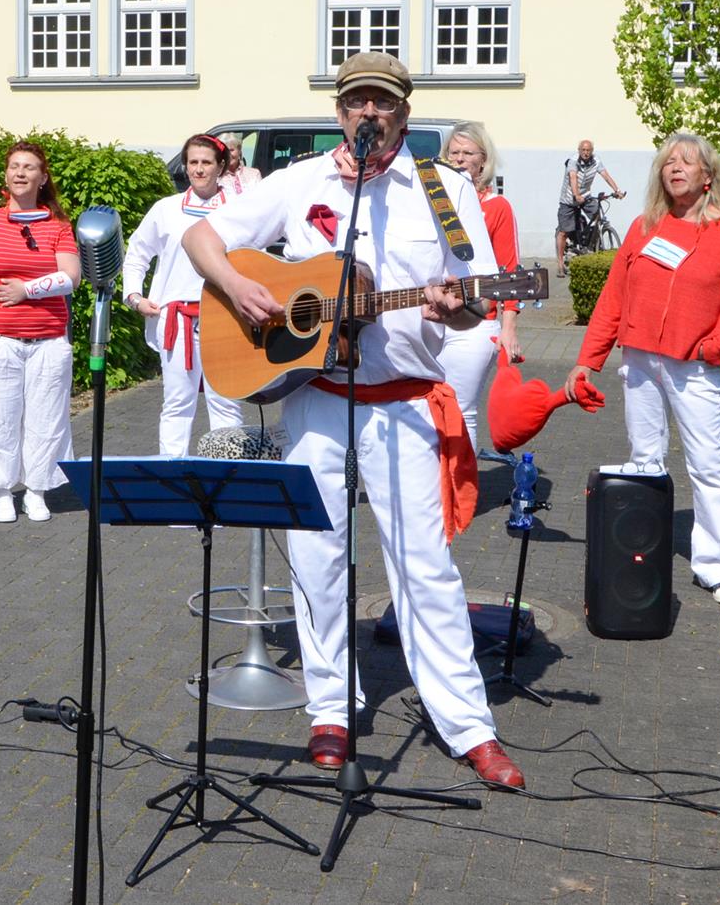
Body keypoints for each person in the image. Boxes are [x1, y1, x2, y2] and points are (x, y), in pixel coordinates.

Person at [185, 51, 526, 789]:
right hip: (313, 398)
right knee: (315, 557)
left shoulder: (444, 188)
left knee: (424, 568)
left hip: (402, 400)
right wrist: (242, 285)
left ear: (405, 113)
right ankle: (331, 707)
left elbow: (474, 298)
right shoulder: (301, 180)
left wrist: (457, 303)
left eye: (384, 102)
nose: (369, 113)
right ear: (340, 111)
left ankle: (467, 724)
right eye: (356, 102)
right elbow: (200, 239)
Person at [564, 132, 720, 606]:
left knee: (707, 465)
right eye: (668, 162)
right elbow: (613, 300)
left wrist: (712, 348)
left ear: (708, 176)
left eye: (687, 162)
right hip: (639, 363)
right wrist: (586, 361)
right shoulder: (643, 227)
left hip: (693, 369)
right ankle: (639, 551)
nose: (675, 168)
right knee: (644, 460)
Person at [0, 141, 81, 523]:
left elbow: (71, 277)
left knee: (46, 419)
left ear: (42, 178)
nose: (20, 173)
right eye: (14, 166)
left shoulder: (58, 225)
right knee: (1, 417)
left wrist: (27, 290)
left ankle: (37, 490)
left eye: (29, 167)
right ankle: (3, 490)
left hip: (48, 342)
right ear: (6, 175)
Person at [121, 134, 246, 456]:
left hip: (226, 318)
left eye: (206, 162)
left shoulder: (240, 210)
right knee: (178, 402)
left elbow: (256, 259)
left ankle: (227, 474)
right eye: (193, 162)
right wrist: (134, 296)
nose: (199, 169)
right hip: (176, 318)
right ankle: (173, 477)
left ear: (222, 167)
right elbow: (137, 253)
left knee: (226, 402)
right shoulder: (166, 209)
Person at [436, 120, 522, 462]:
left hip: (476, 321)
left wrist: (509, 327)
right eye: (453, 152)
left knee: (460, 409)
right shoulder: (437, 203)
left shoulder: (497, 207)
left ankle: (461, 495)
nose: (458, 159)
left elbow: (510, 271)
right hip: (433, 317)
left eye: (467, 153)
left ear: (483, 161)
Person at [554, 138, 625, 276]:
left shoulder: (596, 160)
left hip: (585, 196)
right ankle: (560, 263)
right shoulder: (573, 161)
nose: (586, 153)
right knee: (564, 231)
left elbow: (606, 175)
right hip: (569, 199)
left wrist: (617, 190)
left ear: (592, 151)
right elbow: (573, 178)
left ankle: (588, 243)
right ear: (579, 151)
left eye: (588, 150)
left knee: (596, 212)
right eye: (583, 150)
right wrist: (576, 195)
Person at [215, 130, 261, 196]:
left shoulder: (254, 174)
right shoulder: (215, 177)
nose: (228, 154)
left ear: (239, 150)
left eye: (231, 150)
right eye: (224, 151)